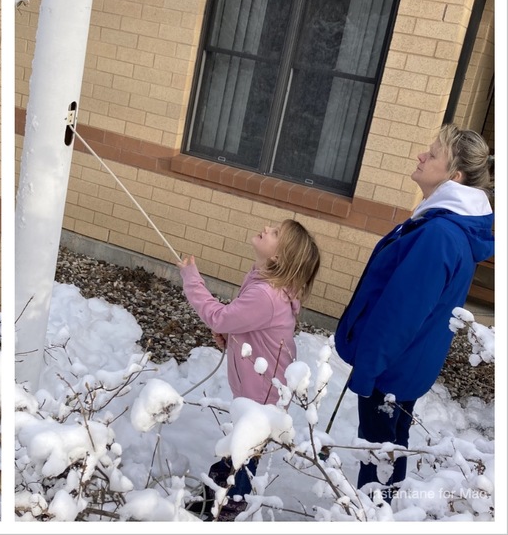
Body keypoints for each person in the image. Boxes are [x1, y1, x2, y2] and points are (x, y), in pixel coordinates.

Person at [334, 125, 493, 503]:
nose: (422, 156)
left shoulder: (440, 233)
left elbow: (400, 315)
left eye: (433, 154)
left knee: (380, 457)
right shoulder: (443, 222)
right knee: (390, 446)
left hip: (391, 369)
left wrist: (368, 370)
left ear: (454, 177)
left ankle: (372, 516)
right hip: (403, 366)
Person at [177, 219, 321, 521]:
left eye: (276, 233)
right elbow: (246, 321)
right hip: (258, 384)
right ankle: (216, 496)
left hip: (263, 391)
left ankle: (231, 509)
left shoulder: (267, 294)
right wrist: (233, 334)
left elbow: (218, 316)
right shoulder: (261, 279)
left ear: (278, 258)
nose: (267, 227)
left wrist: (192, 280)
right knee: (240, 448)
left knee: (245, 454)